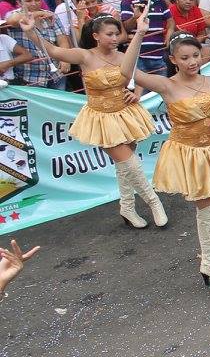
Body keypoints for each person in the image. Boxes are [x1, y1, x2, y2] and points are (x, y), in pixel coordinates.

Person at [134, 34, 210, 304]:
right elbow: (128, 72)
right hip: (187, 155)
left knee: (206, 208)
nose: (192, 62)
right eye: (184, 58)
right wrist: (139, 34)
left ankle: (209, 262)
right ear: (173, 60)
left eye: (195, 56)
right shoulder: (166, 85)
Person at [25, 12, 167, 228]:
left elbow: (139, 77)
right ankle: (154, 202)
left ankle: (127, 208)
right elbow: (54, 51)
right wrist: (31, 31)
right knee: (131, 164)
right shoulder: (85, 56)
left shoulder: (122, 56)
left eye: (117, 34)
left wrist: (136, 93)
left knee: (124, 165)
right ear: (96, 36)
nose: (114, 38)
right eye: (109, 34)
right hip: (101, 118)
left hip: (126, 114)